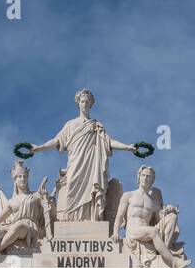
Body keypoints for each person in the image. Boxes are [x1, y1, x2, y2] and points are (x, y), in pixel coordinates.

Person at [30, 89, 138, 221]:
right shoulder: (70, 125)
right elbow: (56, 141)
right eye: (82, 101)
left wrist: (127, 147)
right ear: (78, 103)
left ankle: (92, 218)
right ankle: (71, 221)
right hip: (75, 163)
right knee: (71, 189)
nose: (85, 104)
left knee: (92, 188)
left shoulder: (96, 125)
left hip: (92, 165)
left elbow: (109, 142)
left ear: (91, 103)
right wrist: (39, 148)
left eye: (87, 101)